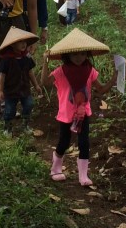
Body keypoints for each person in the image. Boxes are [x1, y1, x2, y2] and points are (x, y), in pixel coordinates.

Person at [41, 28, 116, 188]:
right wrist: (45, 62)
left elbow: (101, 89)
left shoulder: (90, 71)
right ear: (67, 55)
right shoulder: (61, 72)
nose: (79, 57)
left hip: (83, 113)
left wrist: (114, 78)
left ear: (87, 55)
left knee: (84, 143)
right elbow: (45, 83)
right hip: (66, 114)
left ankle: (83, 175)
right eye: (75, 54)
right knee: (64, 142)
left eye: (82, 54)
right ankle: (55, 168)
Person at [0, 27, 41, 136]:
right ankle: (8, 127)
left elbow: (30, 72)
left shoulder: (26, 57)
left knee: (29, 104)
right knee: (10, 109)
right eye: (20, 42)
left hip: (24, 88)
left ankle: (25, 125)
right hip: (11, 90)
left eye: (24, 41)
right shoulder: (7, 59)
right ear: (12, 44)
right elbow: (2, 76)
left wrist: (36, 85)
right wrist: (0, 90)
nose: (23, 44)